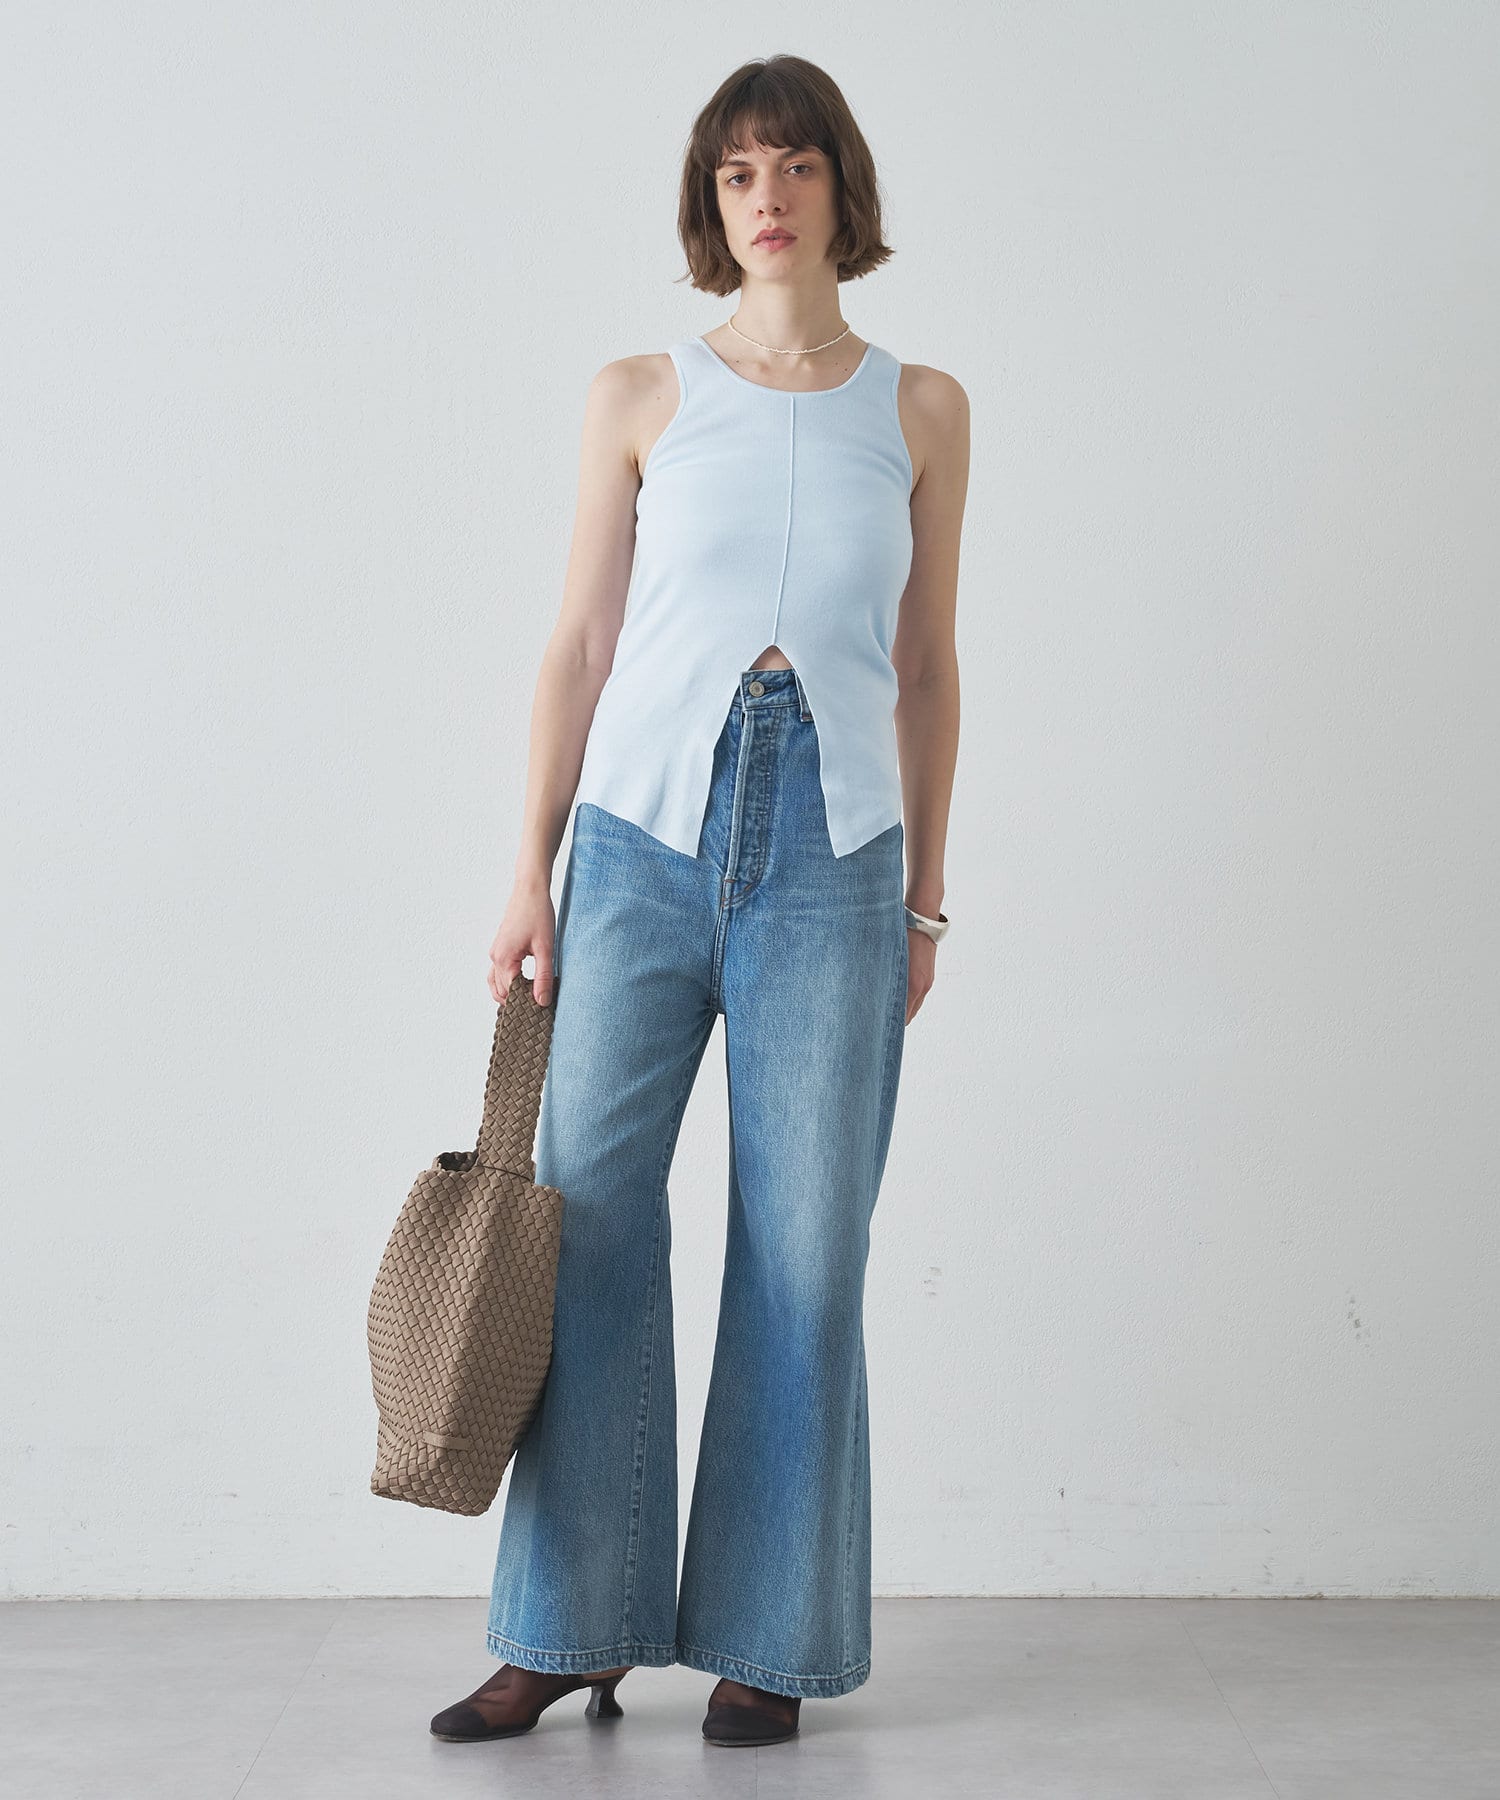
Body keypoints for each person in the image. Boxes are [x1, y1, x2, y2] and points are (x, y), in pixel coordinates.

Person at [431, 52, 967, 1751]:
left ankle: (766, 1639)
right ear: (710, 202)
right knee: (586, 1222)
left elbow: (929, 666)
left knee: (807, 1252)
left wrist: (925, 902)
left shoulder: (921, 408)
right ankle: (565, 1626)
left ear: (839, 189)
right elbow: (581, 642)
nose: (768, 197)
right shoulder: (641, 394)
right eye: (738, 172)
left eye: (794, 165)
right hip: (640, 848)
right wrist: (528, 873)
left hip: (836, 858)